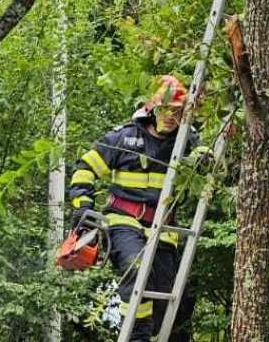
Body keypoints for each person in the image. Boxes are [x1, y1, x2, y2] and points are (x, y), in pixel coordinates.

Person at [68, 75, 203, 342]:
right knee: (135, 266)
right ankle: (136, 336)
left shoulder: (188, 142)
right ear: (152, 107)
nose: (169, 117)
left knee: (166, 297)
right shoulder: (124, 138)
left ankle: (149, 335)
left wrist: (208, 156)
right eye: (165, 110)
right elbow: (85, 168)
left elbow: (206, 166)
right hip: (123, 221)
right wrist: (82, 205)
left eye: (176, 112)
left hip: (163, 228)